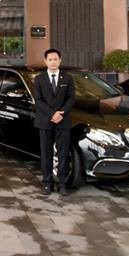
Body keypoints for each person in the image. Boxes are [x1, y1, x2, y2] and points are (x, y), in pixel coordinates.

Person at [31, 48, 75, 197]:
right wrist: (52, 113)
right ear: (45, 61)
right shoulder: (39, 79)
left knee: (63, 153)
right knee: (46, 153)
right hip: (45, 121)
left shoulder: (67, 78)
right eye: (50, 60)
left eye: (55, 59)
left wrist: (61, 113)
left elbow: (71, 98)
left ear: (60, 60)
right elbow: (38, 100)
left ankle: (62, 184)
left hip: (63, 120)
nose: (53, 62)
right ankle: (47, 183)